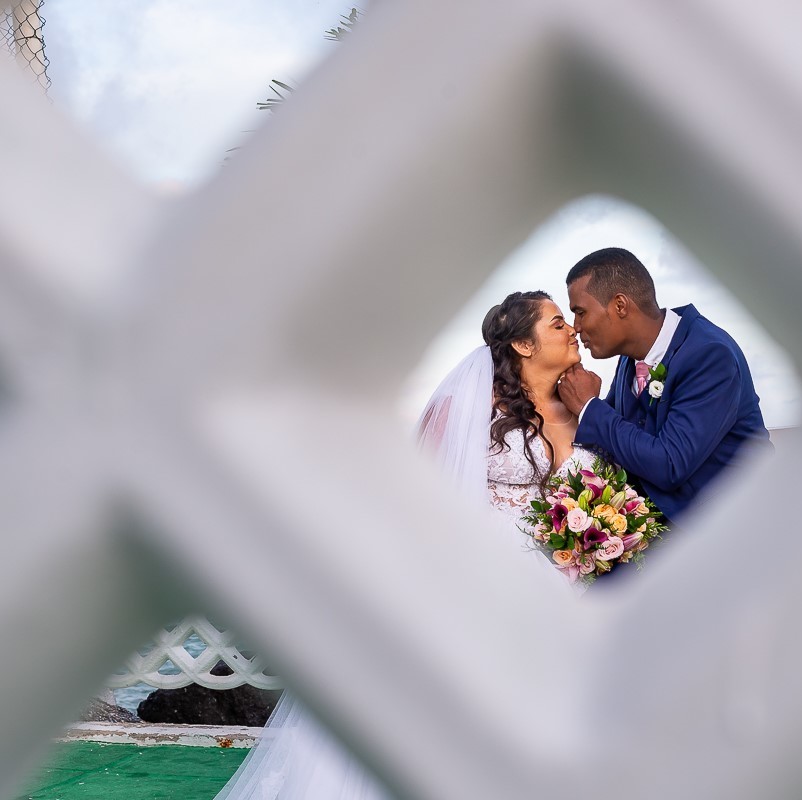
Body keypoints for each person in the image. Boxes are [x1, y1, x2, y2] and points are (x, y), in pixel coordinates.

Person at [213, 290, 598, 800]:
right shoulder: (465, 407)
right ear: (524, 346)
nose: (571, 328)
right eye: (555, 323)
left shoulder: (587, 407)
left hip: (560, 585)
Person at [559, 248, 770, 522]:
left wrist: (589, 406)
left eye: (580, 312)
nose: (575, 326)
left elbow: (670, 464)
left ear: (620, 306)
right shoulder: (630, 357)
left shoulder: (709, 355)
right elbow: (614, 440)